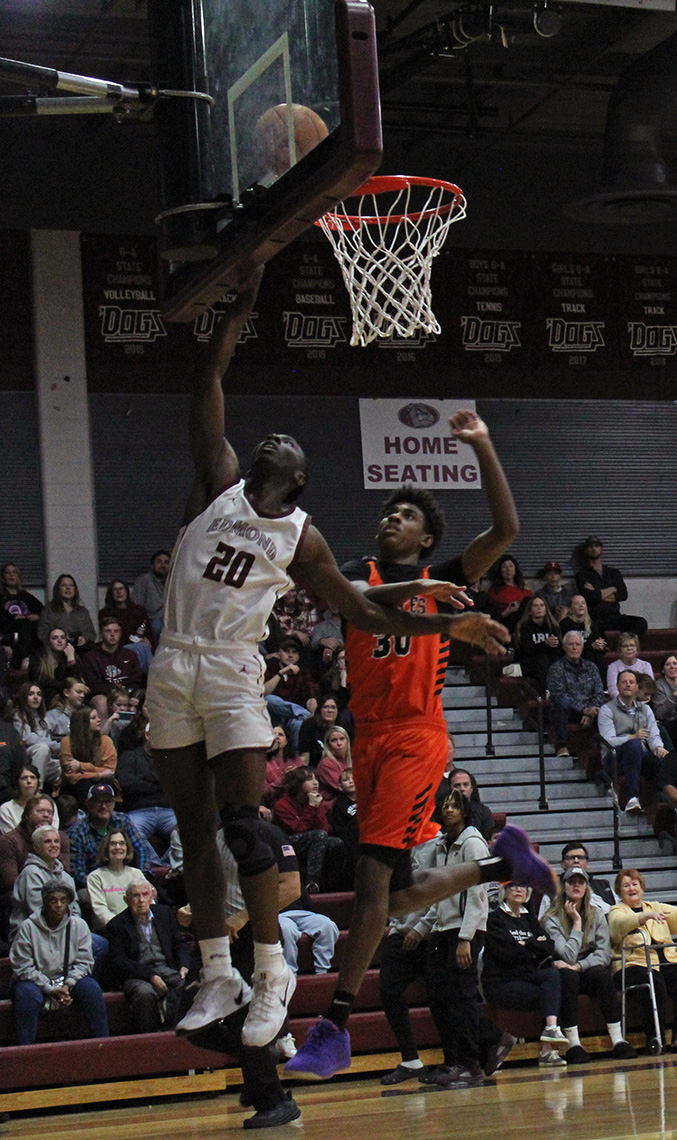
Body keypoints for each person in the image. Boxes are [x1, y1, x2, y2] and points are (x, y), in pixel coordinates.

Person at [146, 272, 507, 1049]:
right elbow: (208, 375)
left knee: (255, 831)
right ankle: (218, 972)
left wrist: (461, 620)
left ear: (301, 480)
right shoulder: (218, 482)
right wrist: (240, 307)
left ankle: (283, 979)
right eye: (267, 440)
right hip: (175, 664)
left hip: (255, 676)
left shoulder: (304, 540)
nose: (276, 439)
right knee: (193, 825)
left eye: (291, 446)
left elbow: (369, 605)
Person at [287, 410, 556, 1082]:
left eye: (404, 514)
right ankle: (502, 867)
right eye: (388, 512)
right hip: (366, 740)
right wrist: (437, 604)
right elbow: (360, 599)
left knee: (373, 883)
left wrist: (483, 446)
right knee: (395, 895)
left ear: (427, 535)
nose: (390, 519)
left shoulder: (451, 574)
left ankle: (335, 1026)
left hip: (414, 737)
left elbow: (507, 530)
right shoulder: (359, 570)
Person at [408, 791, 506, 1089]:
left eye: (454, 805)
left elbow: (477, 894)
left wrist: (466, 938)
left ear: (465, 811)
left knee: (462, 998)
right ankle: (456, 1059)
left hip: (466, 930)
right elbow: (442, 894)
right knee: (441, 997)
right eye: (445, 805)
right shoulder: (441, 845)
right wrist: (422, 928)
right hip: (443, 929)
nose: (449, 810)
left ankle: (471, 1063)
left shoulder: (473, 843)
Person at [542, 867, 637, 1063]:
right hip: (564, 970)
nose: (576, 886)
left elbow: (603, 954)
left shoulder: (597, 914)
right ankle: (574, 1044)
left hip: (585, 966)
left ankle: (618, 1040)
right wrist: (577, 923)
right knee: (567, 977)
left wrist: (579, 966)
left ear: (586, 887)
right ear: (564, 886)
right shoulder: (550, 918)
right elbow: (567, 956)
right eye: (571, 882)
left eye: (581, 882)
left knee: (601, 974)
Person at [9, 880, 108, 1045]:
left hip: (68, 978)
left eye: (63, 900)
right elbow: (22, 966)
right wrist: (49, 988)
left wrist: (67, 985)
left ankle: (103, 1046)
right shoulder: (28, 927)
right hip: (35, 980)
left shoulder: (79, 925)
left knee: (92, 989)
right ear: (44, 903)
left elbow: (84, 962)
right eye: (53, 900)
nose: (58, 905)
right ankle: (24, 1051)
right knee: (27, 996)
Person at [482, 883, 567, 1066]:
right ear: (504, 891)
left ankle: (551, 1031)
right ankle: (547, 1050)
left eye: (523, 886)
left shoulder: (529, 918)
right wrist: (533, 947)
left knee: (553, 977)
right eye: (513, 886)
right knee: (550, 994)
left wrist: (525, 946)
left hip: (526, 977)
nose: (519, 889)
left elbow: (548, 946)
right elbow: (506, 954)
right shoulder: (494, 919)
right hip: (501, 983)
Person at [107, 880, 190, 1032]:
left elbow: (180, 944)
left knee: (189, 984)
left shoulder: (164, 913)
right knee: (145, 994)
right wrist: (151, 976)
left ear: (152, 896)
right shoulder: (116, 925)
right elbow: (119, 962)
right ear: (126, 900)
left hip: (166, 967)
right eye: (135, 896)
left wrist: (184, 965)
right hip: (137, 974)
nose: (141, 900)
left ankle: (178, 1032)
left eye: (145, 894)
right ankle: (148, 1036)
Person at [608, 869, 677, 1051]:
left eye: (634, 884)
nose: (631, 888)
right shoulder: (616, 911)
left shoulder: (654, 906)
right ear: (619, 891)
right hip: (632, 964)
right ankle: (656, 1039)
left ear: (642, 887)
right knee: (654, 980)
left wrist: (648, 913)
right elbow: (618, 926)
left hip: (665, 961)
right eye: (626, 885)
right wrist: (642, 917)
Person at [598, 669, 667, 813]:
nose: (627, 685)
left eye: (631, 682)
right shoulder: (606, 710)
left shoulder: (646, 709)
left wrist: (658, 748)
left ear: (636, 687)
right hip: (614, 759)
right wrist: (632, 737)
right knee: (634, 745)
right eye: (624, 682)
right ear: (617, 686)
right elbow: (608, 741)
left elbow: (653, 735)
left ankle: (661, 803)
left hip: (640, 756)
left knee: (663, 760)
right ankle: (632, 797)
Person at [273, 766, 342, 892]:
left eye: (316, 779)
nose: (315, 783)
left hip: (314, 839)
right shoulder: (282, 804)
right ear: (298, 783)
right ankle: (311, 882)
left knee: (336, 843)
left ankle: (332, 886)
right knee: (319, 835)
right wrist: (311, 807)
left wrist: (316, 807)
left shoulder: (315, 799)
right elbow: (297, 829)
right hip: (287, 844)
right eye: (309, 779)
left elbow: (324, 829)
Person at [67, 783, 149, 890]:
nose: (104, 806)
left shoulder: (123, 821)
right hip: (95, 885)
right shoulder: (77, 832)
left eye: (108, 801)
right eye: (98, 802)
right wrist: (106, 886)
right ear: (88, 804)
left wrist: (141, 878)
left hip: (126, 879)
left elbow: (141, 848)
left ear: (114, 803)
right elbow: (78, 873)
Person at [9, 824, 81, 941]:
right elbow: (38, 911)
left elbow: (75, 909)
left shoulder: (66, 876)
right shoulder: (30, 873)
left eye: (56, 841)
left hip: (65, 931)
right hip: (33, 934)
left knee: (100, 944)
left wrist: (74, 930)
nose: (54, 845)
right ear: (36, 847)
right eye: (48, 842)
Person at [116, 722, 177, 858]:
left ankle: (170, 866)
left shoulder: (170, 759)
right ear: (147, 735)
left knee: (188, 830)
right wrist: (158, 783)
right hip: (139, 810)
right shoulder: (130, 756)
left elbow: (175, 783)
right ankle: (155, 865)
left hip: (168, 810)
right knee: (130, 830)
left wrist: (144, 780)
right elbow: (126, 783)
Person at [546, 630, 605, 758]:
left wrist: (591, 712)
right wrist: (584, 710)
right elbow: (558, 694)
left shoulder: (592, 667)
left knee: (605, 709)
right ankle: (562, 746)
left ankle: (605, 750)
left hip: (589, 710)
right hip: (567, 711)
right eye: (571, 644)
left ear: (582, 647)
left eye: (577, 644)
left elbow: (599, 693)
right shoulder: (556, 668)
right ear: (564, 647)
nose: (574, 647)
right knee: (561, 702)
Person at [574, 535, 647, 637]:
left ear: (601, 549)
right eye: (590, 546)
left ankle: (624, 642)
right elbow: (591, 597)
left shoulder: (613, 572)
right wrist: (612, 589)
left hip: (614, 616)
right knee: (591, 631)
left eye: (597, 546)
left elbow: (623, 595)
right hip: (595, 619)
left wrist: (597, 592)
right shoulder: (582, 575)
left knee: (641, 623)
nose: (594, 549)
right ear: (586, 551)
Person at [0, 793, 70, 896]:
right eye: (40, 811)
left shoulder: (61, 837)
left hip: (57, 893)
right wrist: (38, 840)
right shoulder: (10, 840)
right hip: (22, 894)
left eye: (50, 812)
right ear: (27, 815)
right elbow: (10, 882)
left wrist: (49, 841)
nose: (46, 815)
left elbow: (66, 871)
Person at [86, 828, 149, 932]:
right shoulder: (95, 877)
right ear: (106, 848)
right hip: (109, 930)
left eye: (122, 843)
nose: (118, 847)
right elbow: (100, 911)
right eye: (113, 844)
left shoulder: (136, 873)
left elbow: (149, 903)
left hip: (137, 928)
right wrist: (122, 927)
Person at [81, 615, 143, 719]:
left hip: (128, 692)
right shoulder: (91, 656)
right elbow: (93, 684)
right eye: (108, 631)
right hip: (103, 695)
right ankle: (105, 734)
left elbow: (136, 680)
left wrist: (125, 691)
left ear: (121, 633)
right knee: (101, 702)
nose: (112, 634)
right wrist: (114, 691)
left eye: (116, 631)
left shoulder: (130, 655)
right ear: (101, 633)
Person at [538, 842, 618, 918]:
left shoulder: (604, 886)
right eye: (571, 858)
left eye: (580, 857)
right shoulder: (552, 890)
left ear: (587, 863)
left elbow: (619, 912)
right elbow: (542, 921)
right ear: (562, 864)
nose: (576, 861)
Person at [60, 706, 118, 804]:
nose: (99, 720)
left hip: (103, 782)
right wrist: (99, 774)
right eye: (93, 718)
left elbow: (110, 772)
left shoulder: (106, 741)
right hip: (76, 786)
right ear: (83, 723)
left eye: (98, 717)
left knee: (103, 787)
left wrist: (80, 766)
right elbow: (71, 776)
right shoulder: (67, 742)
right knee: (83, 785)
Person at [8, 681, 61, 787]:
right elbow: (28, 739)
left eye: (38, 694)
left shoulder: (43, 719)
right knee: (42, 748)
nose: (36, 697)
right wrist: (59, 745)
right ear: (23, 697)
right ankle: (37, 790)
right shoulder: (17, 715)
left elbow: (47, 741)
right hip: (24, 757)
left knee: (66, 766)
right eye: (31, 694)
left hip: (46, 758)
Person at [99, 578, 153, 674]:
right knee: (141, 648)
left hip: (140, 645)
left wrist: (146, 639)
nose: (119, 592)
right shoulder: (105, 613)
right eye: (115, 590)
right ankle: (153, 679)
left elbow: (147, 629)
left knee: (143, 647)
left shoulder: (138, 610)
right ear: (111, 594)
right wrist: (136, 641)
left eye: (121, 589)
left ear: (127, 591)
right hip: (118, 647)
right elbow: (113, 636)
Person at [512, 596, 561, 693]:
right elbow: (526, 649)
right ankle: (546, 691)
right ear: (530, 611)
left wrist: (554, 644)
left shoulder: (553, 626)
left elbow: (558, 649)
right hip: (528, 662)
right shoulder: (524, 627)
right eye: (535, 606)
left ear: (546, 610)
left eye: (542, 606)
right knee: (542, 660)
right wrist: (545, 644)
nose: (539, 608)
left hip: (549, 659)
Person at [27, 628, 85, 709]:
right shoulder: (38, 656)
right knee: (52, 693)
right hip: (46, 694)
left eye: (62, 637)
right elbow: (38, 680)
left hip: (66, 692)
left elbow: (76, 681)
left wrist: (71, 662)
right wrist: (64, 685)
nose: (59, 641)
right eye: (55, 638)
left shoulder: (71, 655)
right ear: (48, 642)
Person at [433, 767, 495, 842]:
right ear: (449, 788)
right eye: (457, 785)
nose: (462, 789)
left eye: (466, 785)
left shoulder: (484, 811)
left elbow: (489, 840)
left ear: (471, 788)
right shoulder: (441, 811)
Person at [37, 574, 97, 648]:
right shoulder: (49, 610)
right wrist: (61, 639)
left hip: (80, 650)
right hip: (56, 650)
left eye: (71, 585)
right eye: (64, 585)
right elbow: (42, 633)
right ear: (58, 589)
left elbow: (91, 634)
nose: (68, 588)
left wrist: (84, 638)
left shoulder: (82, 611)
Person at [0, 562, 42, 666]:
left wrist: (37, 616)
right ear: (3, 577)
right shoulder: (1, 596)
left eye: (14, 573)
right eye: (8, 573)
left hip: (26, 634)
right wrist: (14, 617)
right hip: (8, 632)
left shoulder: (26, 596)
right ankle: (18, 660)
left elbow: (43, 611)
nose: (11, 575)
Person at [0, 765, 59, 835]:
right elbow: (10, 838)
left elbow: (54, 832)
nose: (29, 781)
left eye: (33, 778)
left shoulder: (48, 804)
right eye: (24, 778)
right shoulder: (6, 809)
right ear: (17, 783)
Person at [559, 595, 607, 681]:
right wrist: (590, 645)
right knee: (589, 656)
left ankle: (602, 687)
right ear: (570, 609)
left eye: (583, 603)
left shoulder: (593, 625)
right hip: (574, 655)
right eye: (577, 604)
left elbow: (604, 642)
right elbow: (563, 646)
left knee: (600, 657)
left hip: (593, 655)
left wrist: (600, 644)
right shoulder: (565, 624)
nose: (581, 606)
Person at [132, 552, 171, 648]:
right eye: (159, 562)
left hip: (171, 619)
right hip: (152, 619)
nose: (163, 565)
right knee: (158, 627)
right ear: (152, 566)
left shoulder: (174, 581)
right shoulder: (144, 580)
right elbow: (137, 606)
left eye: (166, 562)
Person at [487, 555, 532, 628]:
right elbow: (492, 616)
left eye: (511, 566)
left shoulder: (524, 588)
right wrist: (508, 611)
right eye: (504, 567)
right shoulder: (495, 590)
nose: (508, 570)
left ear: (515, 569)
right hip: (506, 623)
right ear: (500, 570)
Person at [44, 677, 89, 748]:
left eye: (83, 693)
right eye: (78, 692)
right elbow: (44, 741)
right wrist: (65, 747)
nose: (82, 696)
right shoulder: (52, 716)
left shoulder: (85, 714)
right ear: (66, 692)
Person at [606, 633, 655, 699]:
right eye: (625, 646)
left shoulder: (646, 665)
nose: (629, 648)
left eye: (632, 645)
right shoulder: (613, 667)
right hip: (620, 702)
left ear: (637, 648)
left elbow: (650, 687)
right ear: (620, 649)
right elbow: (613, 691)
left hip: (643, 701)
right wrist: (626, 701)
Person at [316, 727, 351, 805]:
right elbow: (343, 788)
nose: (339, 743)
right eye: (334, 740)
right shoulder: (326, 763)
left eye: (342, 739)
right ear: (328, 745)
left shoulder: (352, 760)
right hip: (333, 805)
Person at [651, 654, 677, 746]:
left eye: (675, 663)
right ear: (662, 669)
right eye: (668, 664)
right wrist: (674, 697)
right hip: (668, 723)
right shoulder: (659, 686)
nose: (672, 667)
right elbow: (660, 714)